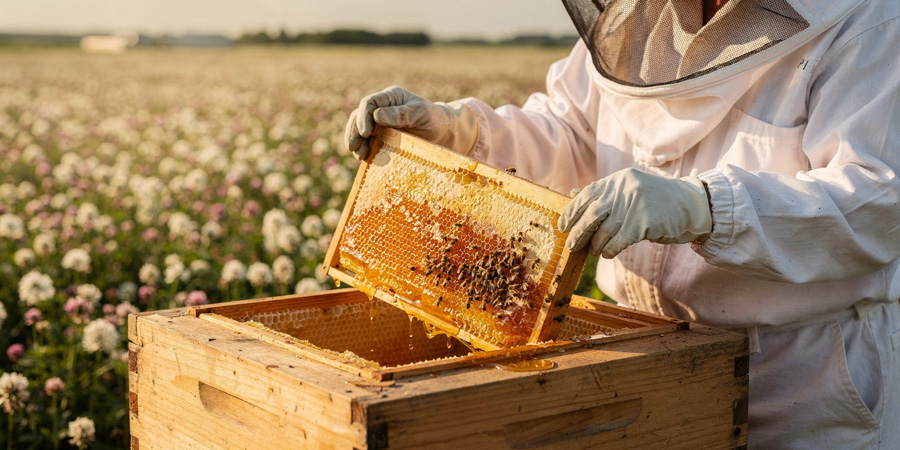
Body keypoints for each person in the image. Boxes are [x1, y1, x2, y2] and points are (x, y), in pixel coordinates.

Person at [344, 0, 900, 448]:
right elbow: (571, 134)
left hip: (798, 381)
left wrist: (704, 207)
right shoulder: (633, 20)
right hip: (639, 355)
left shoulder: (868, 22)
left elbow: (878, 199)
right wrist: (456, 133)